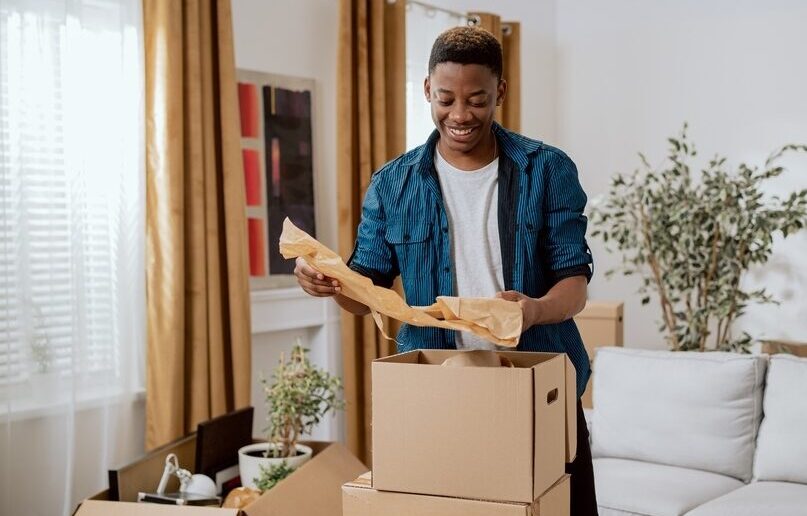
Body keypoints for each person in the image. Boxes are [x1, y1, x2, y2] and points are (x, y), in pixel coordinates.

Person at [294, 26, 598, 515]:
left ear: (500, 91)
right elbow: (365, 287)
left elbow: (575, 283)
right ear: (427, 91)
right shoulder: (393, 184)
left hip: (539, 386)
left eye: (477, 100)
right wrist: (330, 284)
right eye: (446, 98)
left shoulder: (547, 169)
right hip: (438, 391)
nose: (459, 115)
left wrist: (535, 310)